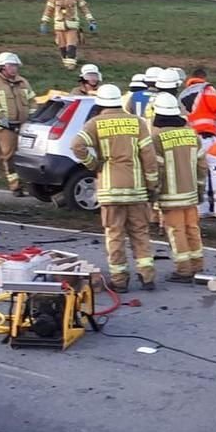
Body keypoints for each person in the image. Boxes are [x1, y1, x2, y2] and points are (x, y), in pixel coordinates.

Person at [71, 82, 159, 291]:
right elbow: (149, 156)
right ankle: (147, 277)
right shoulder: (137, 123)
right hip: (136, 190)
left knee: (115, 235)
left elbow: (77, 145)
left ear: (100, 103)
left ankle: (120, 281)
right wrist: (152, 184)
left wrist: (94, 164)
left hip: (111, 191)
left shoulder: (95, 123)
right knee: (140, 232)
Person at [146, 92, 206, 281]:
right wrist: (200, 190)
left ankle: (183, 270)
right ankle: (197, 264)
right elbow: (202, 166)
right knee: (192, 228)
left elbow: (157, 169)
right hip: (191, 194)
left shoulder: (156, 137)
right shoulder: (191, 133)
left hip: (170, 196)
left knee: (176, 232)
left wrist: (154, 194)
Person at [0, 51, 33, 194]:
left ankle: (28, 183)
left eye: (16, 66)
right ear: (3, 67)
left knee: (26, 153)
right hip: (4, 127)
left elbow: (32, 100)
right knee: (9, 155)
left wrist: (32, 116)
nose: (15, 68)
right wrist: (1, 117)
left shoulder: (23, 82)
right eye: (12, 65)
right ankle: (15, 185)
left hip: (23, 125)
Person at [179, 66, 216, 217]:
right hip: (207, 135)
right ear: (204, 77)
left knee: (200, 171)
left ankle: (202, 208)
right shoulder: (207, 89)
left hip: (191, 137)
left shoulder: (183, 94)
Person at [39, 0, 94, 69]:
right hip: (59, 26)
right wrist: (44, 22)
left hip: (72, 25)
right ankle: (66, 62)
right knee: (62, 46)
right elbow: (49, 9)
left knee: (71, 45)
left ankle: (71, 65)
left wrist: (91, 20)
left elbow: (84, 8)